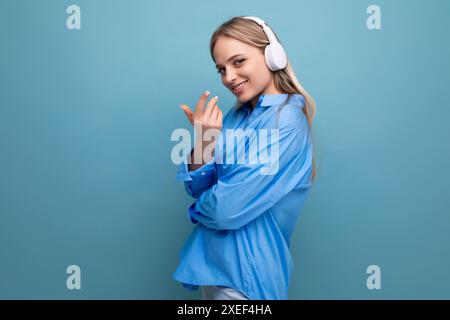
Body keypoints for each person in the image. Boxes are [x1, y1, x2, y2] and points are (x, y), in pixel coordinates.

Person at [173, 15, 316, 300]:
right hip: (216, 271)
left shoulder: (285, 121)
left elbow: (224, 210)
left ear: (273, 56)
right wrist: (204, 141)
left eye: (238, 62)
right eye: (221, 69)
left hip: (247, 280)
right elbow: (200, 187)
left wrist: (197, 211)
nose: (228, 77)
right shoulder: (238, 116)